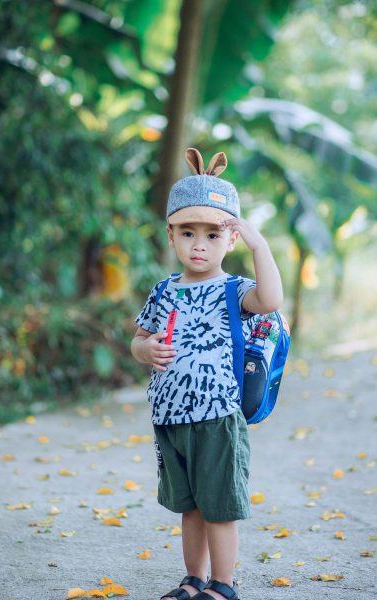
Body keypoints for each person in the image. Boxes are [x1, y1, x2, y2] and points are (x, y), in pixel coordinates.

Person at [131, 148, 283, 600]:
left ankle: (224, 584)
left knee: (219, 508)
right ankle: (192, 579)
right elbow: (138, 339)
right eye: (188, 233)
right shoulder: (164, 290)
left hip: (217, 414)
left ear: (230, 239)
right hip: (171, 415)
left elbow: (271, 300)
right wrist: (145, 350)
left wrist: (262, 246)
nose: (199, 244)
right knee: (190, 507)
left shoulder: (235, 289)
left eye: (213, 234)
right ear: (171, 235)